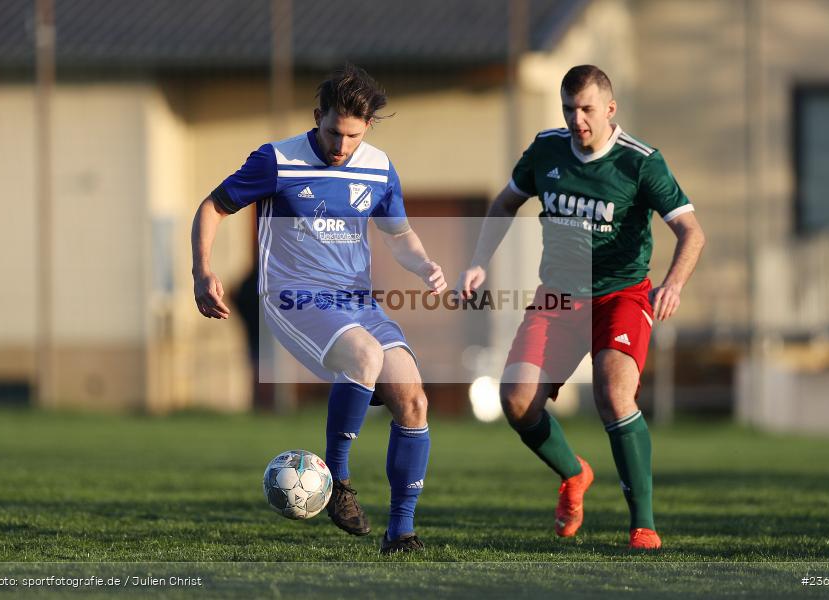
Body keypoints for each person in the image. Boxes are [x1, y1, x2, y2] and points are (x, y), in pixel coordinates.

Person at [191, 64, 446, 554]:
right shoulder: (277, 160)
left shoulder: (378, 166)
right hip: (293, 296)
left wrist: (424, 265)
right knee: (365, 357)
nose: (340, 145)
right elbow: (212, 207)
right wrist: (203, 271)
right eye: (333, 132)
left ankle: (401, 533)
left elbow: (400, 235)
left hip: (356, 301)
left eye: (352, 135)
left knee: (413, 400)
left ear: (367, 127)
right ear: (317, 117)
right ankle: (339, 484)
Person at [457, 65, 705, 550]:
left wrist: (673, 284)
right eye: (569, 108)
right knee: (516, 401)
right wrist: (478, 262)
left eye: (587, 109)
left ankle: (644, 525)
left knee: (614, 396)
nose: (577, 119)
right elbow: (505, 203)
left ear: (610, 109)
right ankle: (574, 474)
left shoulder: (640, 163)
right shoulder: (546, 149)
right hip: (558, 296)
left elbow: (692, 231)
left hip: (621, 296)